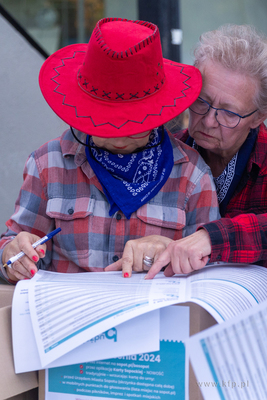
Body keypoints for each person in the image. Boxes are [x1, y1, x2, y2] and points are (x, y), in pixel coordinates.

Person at [0, 18, 220, 283]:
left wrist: (170, 251)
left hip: (155, 320)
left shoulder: (192, 175)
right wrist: (12, 255)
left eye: (135, 124)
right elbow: (14, 243)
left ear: (160, 115)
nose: (119, 137)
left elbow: (211, 274)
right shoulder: (48, 164)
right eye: (105, 123)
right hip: (65, 318)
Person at [106, 23, 267, 278]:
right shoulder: (163, 153)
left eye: (228, 113)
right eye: (201, 101)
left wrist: (211, 239)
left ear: (258, 117)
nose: (209, 121)